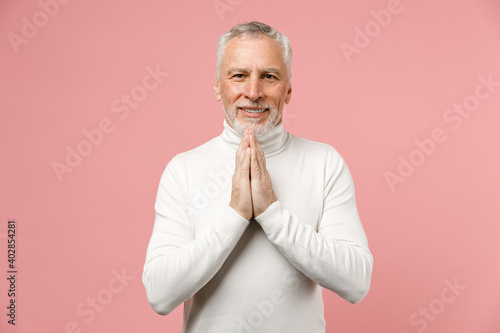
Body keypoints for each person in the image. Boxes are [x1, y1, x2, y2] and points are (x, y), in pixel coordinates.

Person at [142, 21, 373, 333]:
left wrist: (271, 213)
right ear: (216, 86)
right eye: (239, 75)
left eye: (269, 76)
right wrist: (235, 215)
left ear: (288, 88)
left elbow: (356, 282)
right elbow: (160, 295)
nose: (253, 92)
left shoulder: (324, 163)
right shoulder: (183, 170)